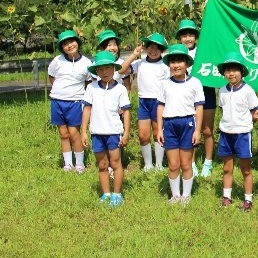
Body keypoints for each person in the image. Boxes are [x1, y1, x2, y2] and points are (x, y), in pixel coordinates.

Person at [80, 51, 131, 206]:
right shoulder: (92, 88)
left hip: (114, 133)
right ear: (96, 71)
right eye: (101, 69)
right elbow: (87, 109)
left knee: (116, 163)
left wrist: (126, 133)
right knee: (102, 165)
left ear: (114, 69)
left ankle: (117, 194)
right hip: (97, 133)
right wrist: (83, 131)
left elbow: (126, 112)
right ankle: (106, 193)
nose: (104, 72)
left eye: (108, 68)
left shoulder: (120, 89)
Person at [157, 44, 204, 204]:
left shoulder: (195, 83)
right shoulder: (164, 84)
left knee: (186, 163)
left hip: (187, 124)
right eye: (173, 61)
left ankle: (187, 195)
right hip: (169, 125)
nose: (176, 65)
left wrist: (197, 130)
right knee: (173, 164)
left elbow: (199, 108)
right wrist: (159, 129)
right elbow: (160, 106)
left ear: (187, 64)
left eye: (180, 61)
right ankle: (175, 195)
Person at [216, 52, 258, 211]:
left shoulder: (248, 90)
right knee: (227, 168)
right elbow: (222, 109)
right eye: (228, 70)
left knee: (245, 168)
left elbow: (255, 112)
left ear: (242, 72)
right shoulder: (222, 90)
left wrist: (246, 123)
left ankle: (248, 199)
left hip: (243, 134)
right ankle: (226, 197)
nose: (231, 73)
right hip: (226, 133)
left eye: (235, 70)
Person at [120, 33, 170, 171]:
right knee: (143, 135)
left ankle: (159, 164)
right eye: (150, 47)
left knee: (157, 133)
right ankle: (148, 164)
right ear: (145, 48)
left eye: (157, 48)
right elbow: (121, 70)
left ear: (162, 50)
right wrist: (134, 55)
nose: (153, 51)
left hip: (159, 103)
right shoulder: (139, 63)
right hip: (144, 102)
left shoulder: (165, 65)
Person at [175, 19, 217, 178]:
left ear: (196, 37)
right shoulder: (178, 52)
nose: (187, 38)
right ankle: (191, 162)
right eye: (184, 35)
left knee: (207, 129)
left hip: (207, 92)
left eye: (190, 35)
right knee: (190, 129)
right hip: (186, 95)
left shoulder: (203, 51)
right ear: (180, 38)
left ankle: (208, 161)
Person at [48, 30, 93, 173]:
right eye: (65, 44)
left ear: (77, 43)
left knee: (74, 133)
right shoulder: (57, 61)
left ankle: (79, 164)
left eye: (71, 42)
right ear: (62, 48)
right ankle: (68, 164)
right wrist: (60, 92)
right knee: (63, 134)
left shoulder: (86, 62)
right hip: (57, 101)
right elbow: (52, 77)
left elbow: (88, 83)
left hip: (75, 102)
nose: (69, 45)